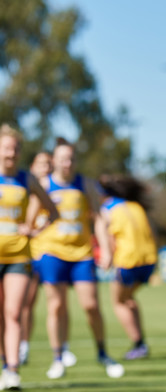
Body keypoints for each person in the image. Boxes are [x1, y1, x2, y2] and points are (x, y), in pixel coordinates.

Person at [34, 138, 124, 379]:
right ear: (54, 160)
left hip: (82, 254)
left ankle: (103, 352)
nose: (68, 162)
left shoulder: (84, 184)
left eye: (72, 158)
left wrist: (105, 249)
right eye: (63, 158)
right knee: (56, 306)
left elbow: (97, 218)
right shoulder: (43, 184)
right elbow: (32, 219)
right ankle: (58, 357)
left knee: (91, 306)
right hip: (52, 253)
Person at [0, 125, 59, 390]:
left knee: (13, 313)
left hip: (18, 256)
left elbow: (53, 211)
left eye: (15, 148)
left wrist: (34, 230)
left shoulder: (27, 179)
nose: (11, 152)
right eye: (6, 148)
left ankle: (12, 371)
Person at [19, 151, 78, 368]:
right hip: (27, 252)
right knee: (26, 302)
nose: (45, 167)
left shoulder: (51, 188)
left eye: (47, 164)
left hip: (47, 252)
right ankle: (22, 344)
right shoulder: (25, 187)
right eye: (40, 164)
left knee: (58, 302)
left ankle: (63, 347)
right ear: (32, 166)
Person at [98, 174, 157, 360]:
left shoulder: (108, 208)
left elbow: (107, 233)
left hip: (128, 260)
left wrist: (107, 255)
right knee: (128, 298)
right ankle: (140, 343)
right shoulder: (136, 206)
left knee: (118, 301)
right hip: (148, 260)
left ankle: (139, 344)